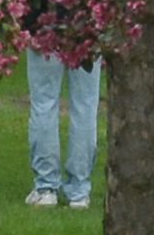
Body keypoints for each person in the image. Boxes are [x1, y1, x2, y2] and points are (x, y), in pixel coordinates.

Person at [21, 27, 102, 210]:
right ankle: (79, 191)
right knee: (85, 107)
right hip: (88, 26)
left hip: (45, 23)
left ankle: (46, 188)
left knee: (44, 103)